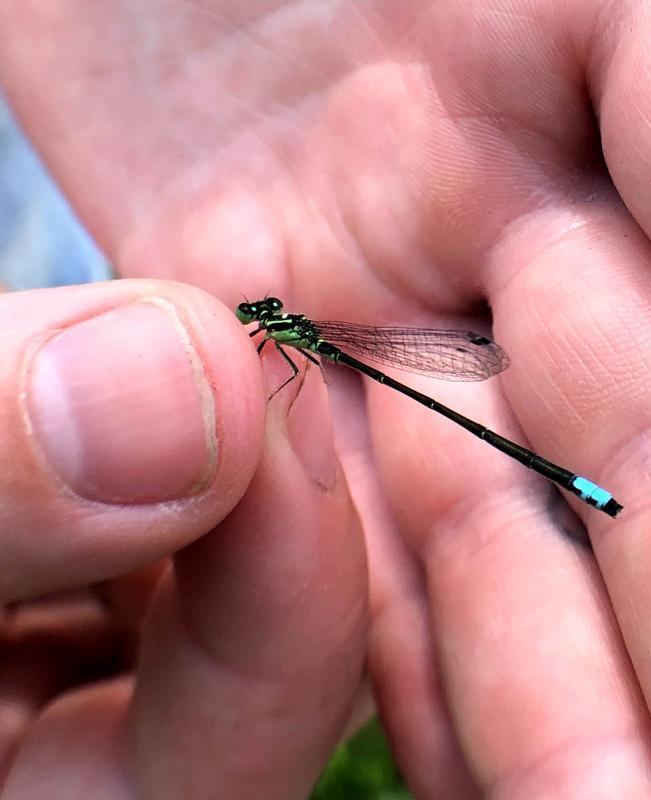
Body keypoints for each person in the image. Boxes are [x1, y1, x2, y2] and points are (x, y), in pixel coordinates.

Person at [0, 2, 648, 797]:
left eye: (255, 323)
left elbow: (291, 373)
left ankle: (584, 488)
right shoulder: (273, 328)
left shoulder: (287, 340)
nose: (250, 325)